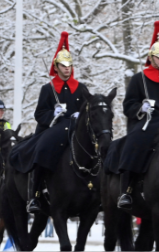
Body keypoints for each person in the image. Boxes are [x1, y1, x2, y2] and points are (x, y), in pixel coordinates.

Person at [9, 31, 88, 213]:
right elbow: (40, 113)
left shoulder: (81, 88)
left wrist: (80, 115)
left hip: (76, 127)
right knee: (43, 149)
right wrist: (54, 114)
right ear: (57, 66)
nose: (67, 68)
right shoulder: (48, 88)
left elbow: (87, 109)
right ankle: (35, 194)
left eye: (69, 65)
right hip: (54, 128)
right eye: (63, 65)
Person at [114, 21, 159, 209]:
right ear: (151, 57)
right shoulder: (139, 79)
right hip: (148, 123)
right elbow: (128, 105)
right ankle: (126, 190)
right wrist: (141, 108)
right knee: (134, 141)